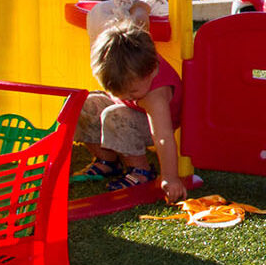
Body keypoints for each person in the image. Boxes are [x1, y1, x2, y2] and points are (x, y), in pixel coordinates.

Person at [78, 21, 188, 203]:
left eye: (131, 92)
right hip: (129, 111)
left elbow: (163, 137)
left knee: (115, 115)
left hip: (150, 125)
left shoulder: (155, 94)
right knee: (86, 104)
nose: (125, 95)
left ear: (151, 71)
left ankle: (141, 170)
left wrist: (170, 177)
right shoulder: (134, 68)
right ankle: (107, 161)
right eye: (117, 91)